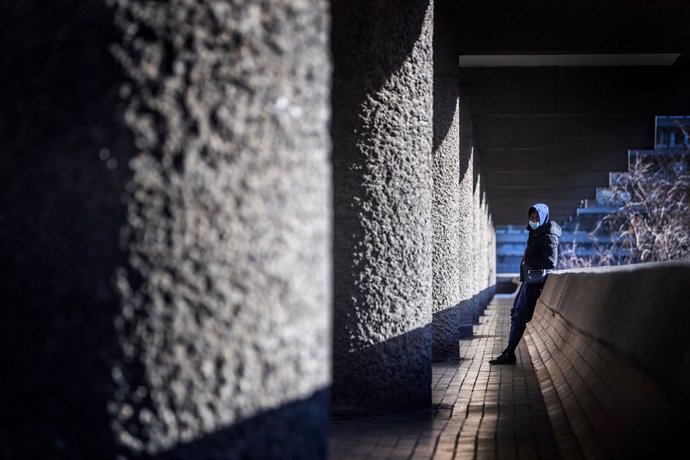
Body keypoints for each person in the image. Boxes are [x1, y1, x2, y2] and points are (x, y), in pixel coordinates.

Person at [489, 203, 562, 365]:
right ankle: (509, 352)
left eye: (536, 217)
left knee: (519, 315)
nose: (533, 220)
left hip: (535, 283)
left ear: (543, 217)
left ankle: (509, 353)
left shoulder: (548, 235)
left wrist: (529, 260)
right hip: (529, 280)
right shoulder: (537, 232)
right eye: (531, 217)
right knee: (516, 313)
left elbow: (551, 262)